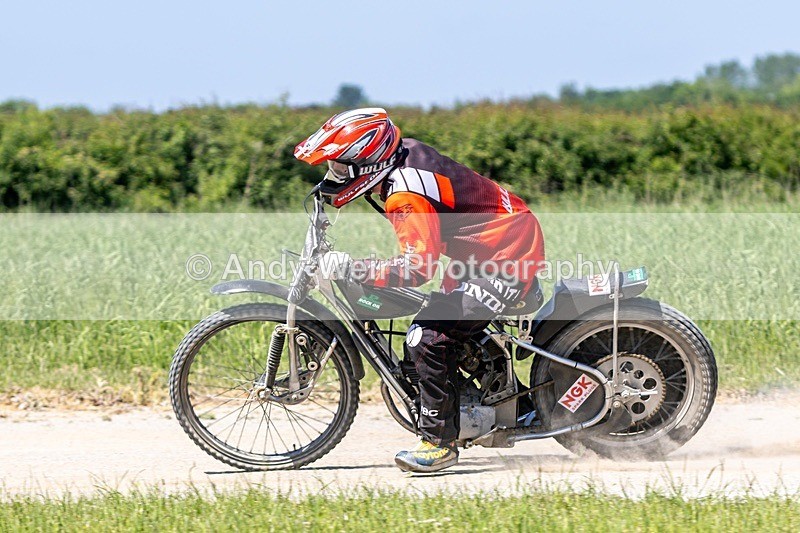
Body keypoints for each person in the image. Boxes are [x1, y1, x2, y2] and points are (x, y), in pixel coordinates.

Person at [294, 108, 545, 472]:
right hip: (484, 246)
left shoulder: (405, 196)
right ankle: (517, 407)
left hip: (505, 255)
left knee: (425, 337)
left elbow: (418, 269)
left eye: (340, 168)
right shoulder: (404, 151)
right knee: (445, 322)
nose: (334, 177)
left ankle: (439, 444)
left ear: (367, 161)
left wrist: (354, 268)